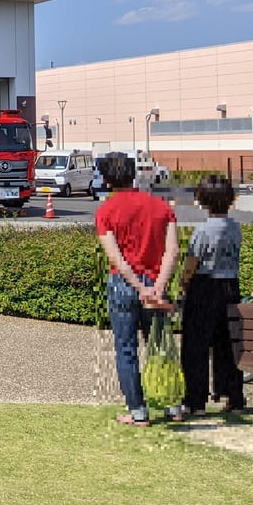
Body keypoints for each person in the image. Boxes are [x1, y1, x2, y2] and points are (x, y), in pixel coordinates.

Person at [95, 151, 179, 427]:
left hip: (124, 284)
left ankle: (138, 411)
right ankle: (172, 405)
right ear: (133, 174)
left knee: (126, 349)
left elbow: (116, 258)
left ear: (106, 179)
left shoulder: (106, 211)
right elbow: (173, 251)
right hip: (155, 281)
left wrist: (138, 286)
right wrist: (157, 286)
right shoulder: (161, 206)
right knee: (160, 346)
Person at [177, 175, 245, 416]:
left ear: (203, 200)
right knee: (228, 344)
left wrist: (183, 284)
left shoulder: (202, 231)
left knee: (196, 346)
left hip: (204, 287)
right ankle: (233, 397)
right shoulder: (235, 228)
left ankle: (196, 401)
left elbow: (191, 263)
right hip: (230, 286)